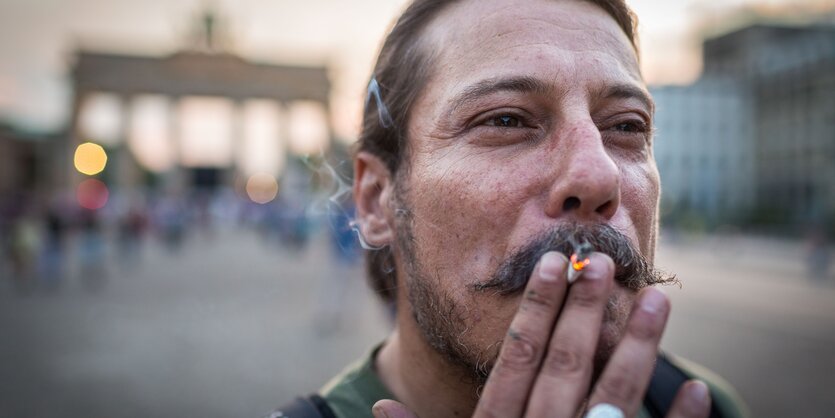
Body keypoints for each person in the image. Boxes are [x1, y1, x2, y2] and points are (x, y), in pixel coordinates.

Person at [277, 0, 749, 417]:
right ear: (377, 200)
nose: (597, 176)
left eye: (626, 126)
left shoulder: (708, 405)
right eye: (506, 119)